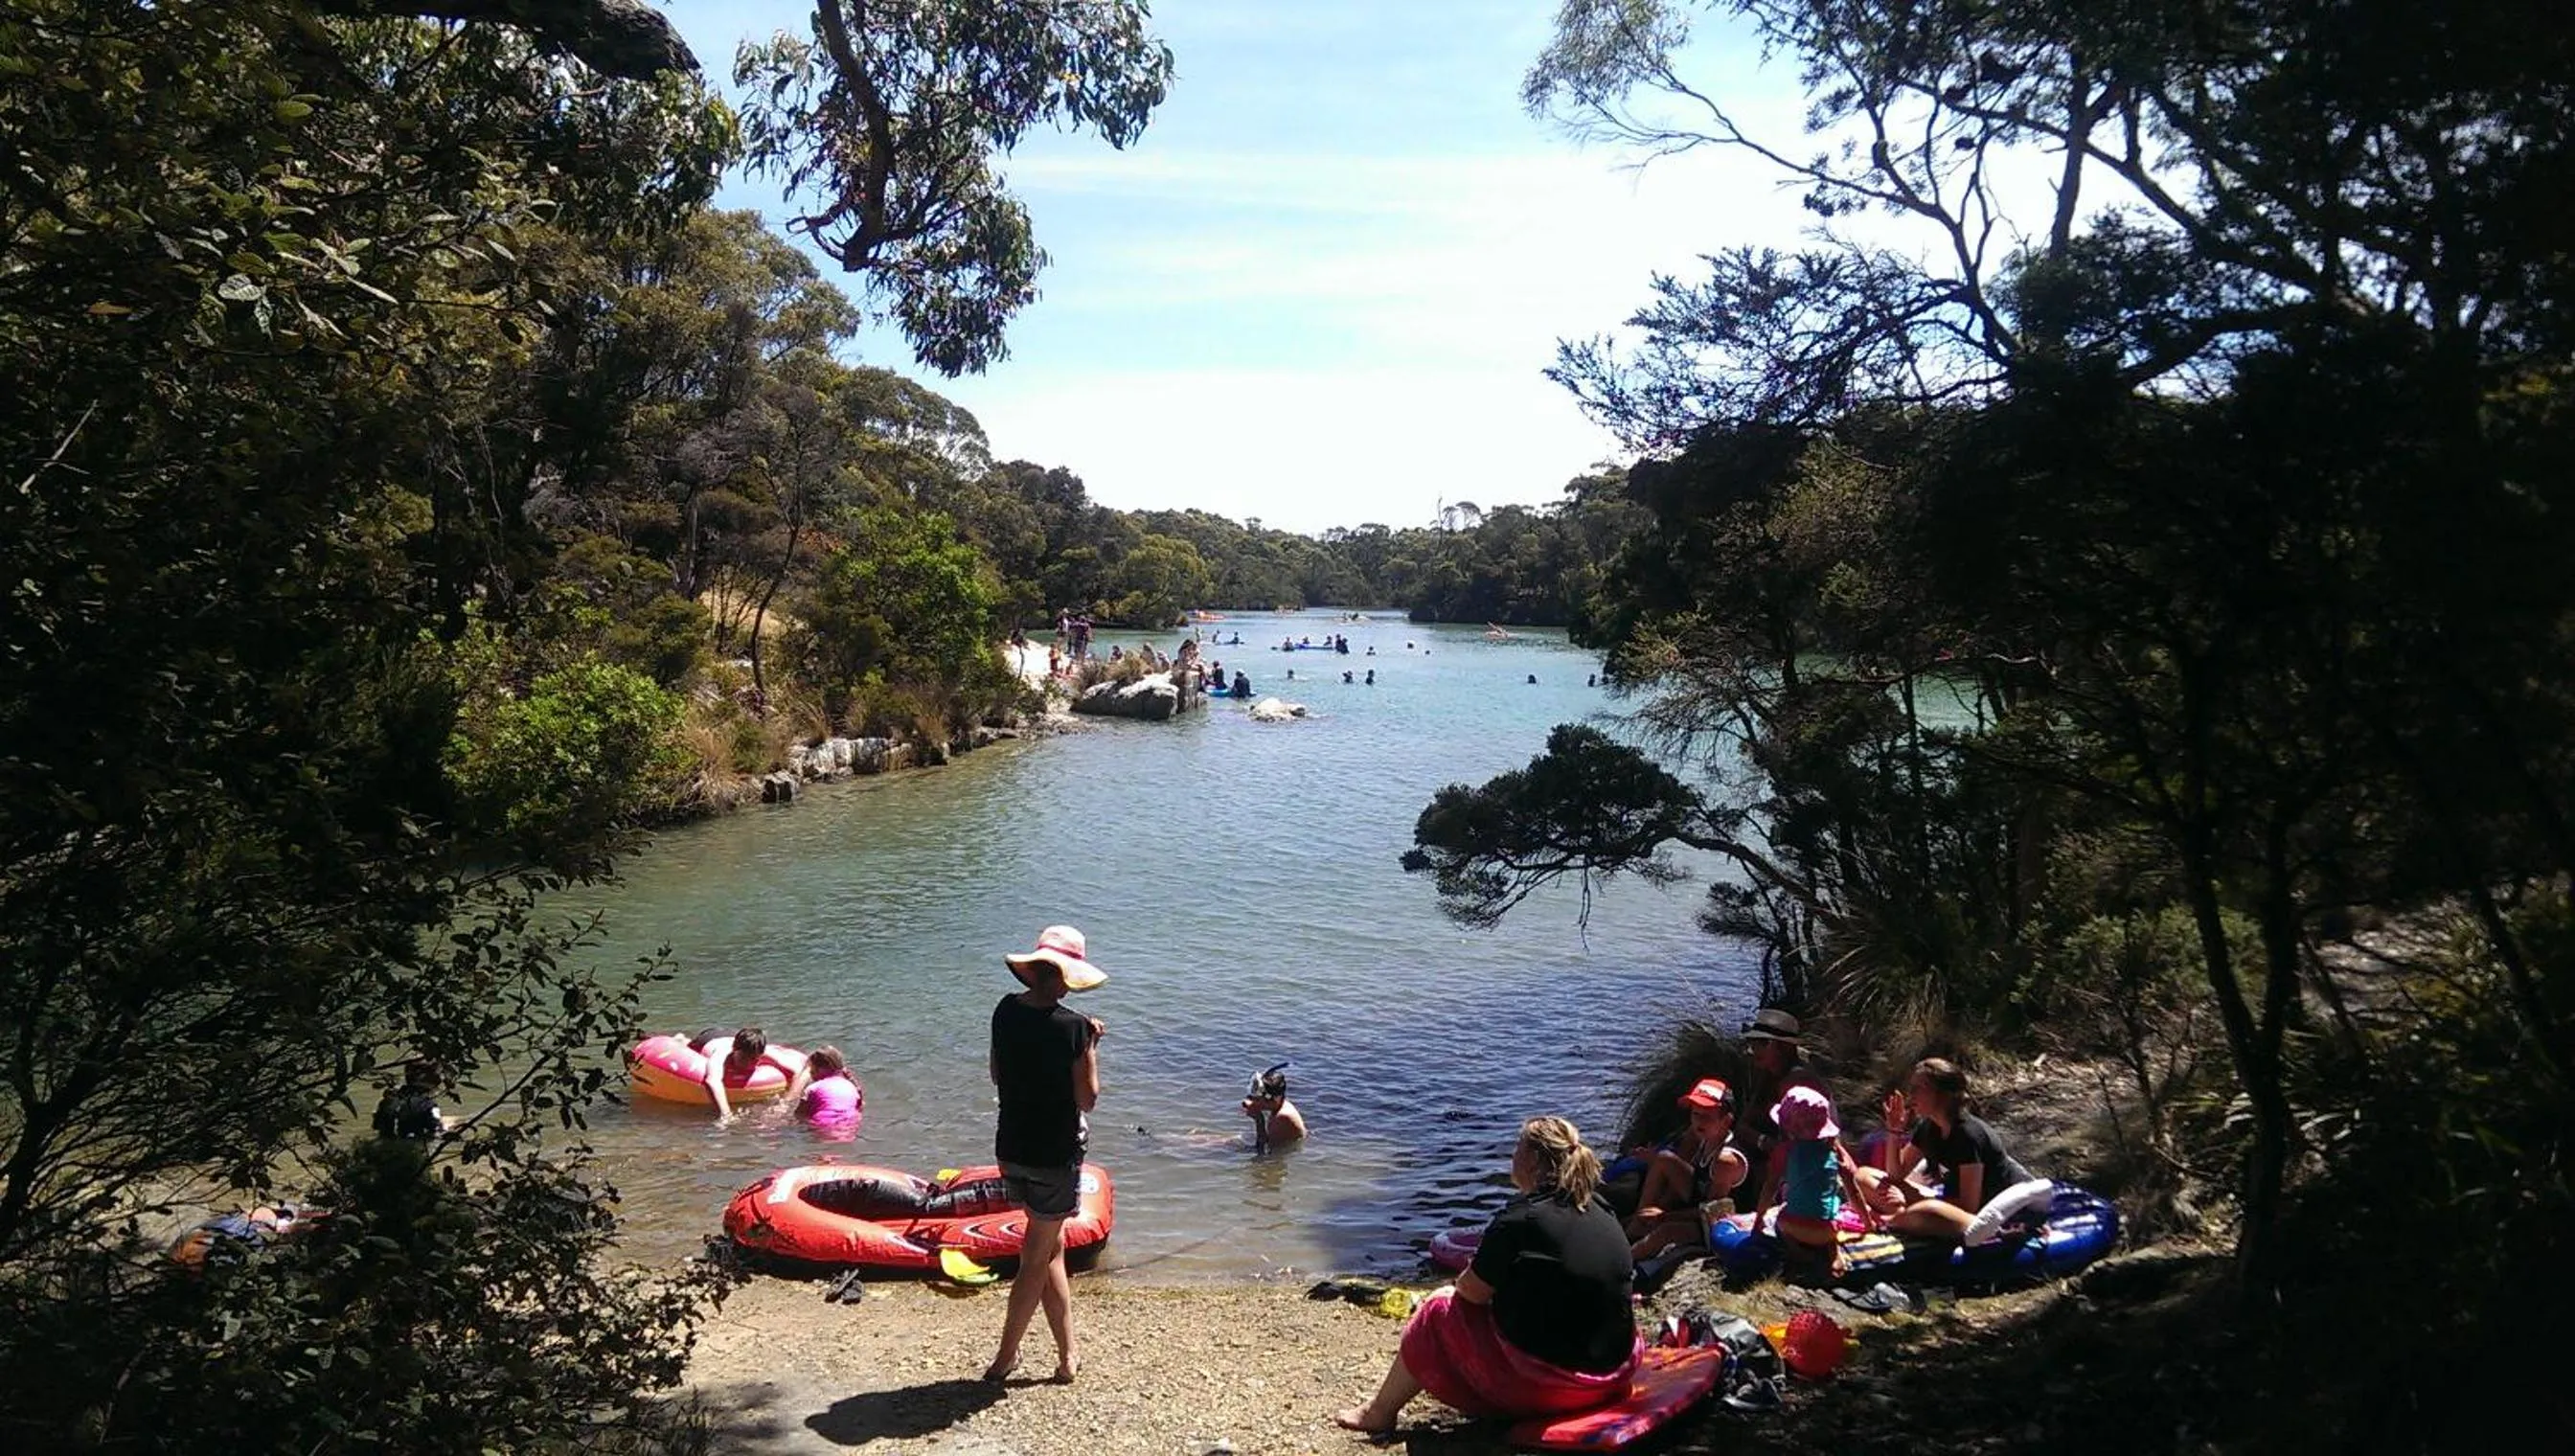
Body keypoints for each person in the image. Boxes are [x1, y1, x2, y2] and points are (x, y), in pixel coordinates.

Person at [1333, 1116, 1639, 1435]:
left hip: (1562, 1389)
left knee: (1438, 1307)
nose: (1512, 1157)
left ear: (1533, 1159)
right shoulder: (1601, 1208)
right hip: (1616, 1373)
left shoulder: (1520, 1219)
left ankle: (1379, 1411)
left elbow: (1471, 1292)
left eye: (1517, 1148)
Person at [985, 925, 1107, 1386]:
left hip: (1011, 1148)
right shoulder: (1075, 1028)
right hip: (1054, 1156)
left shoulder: (1003, 1011)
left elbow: (997, 1073)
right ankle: (1006, 1358)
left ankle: (1068, 1356)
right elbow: (1088, 1098)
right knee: (1034, 1260)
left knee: (1050, 1248)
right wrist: (1089, 1048)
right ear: (1065, 976)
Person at [1857, 1058, 2042, 1241]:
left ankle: (1894, 1220)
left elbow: (1969, 1205)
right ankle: (1906, 1217)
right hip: (1948, 1205)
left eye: (1918, 1088)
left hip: (1989, 1212)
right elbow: (1896, 1175)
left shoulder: (1968, 1135)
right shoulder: (1929, 1128)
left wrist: (1921, 1204)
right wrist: (1894, 1131)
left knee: (1929, 1211)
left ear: (1942, 1095)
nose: (1910, 1095)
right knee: (1863, 1176)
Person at [1760, 1085, 1876, 1281]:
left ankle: (1797, 1252)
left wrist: (1758, 1220)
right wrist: (1868, 1223)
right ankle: (1834, 1252)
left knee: (1779, 1217)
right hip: (1828, 1230)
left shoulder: (1784, 1151)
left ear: (1788, 1125)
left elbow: (1770, 1187)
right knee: (1832, 1209)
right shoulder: (1835, 1151)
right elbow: (1853, 1190)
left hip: (1796, 1228)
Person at [1625, 1078, 1747, 1260]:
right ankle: (1638, 1223)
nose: (1698, 1121)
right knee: (1664, 1158)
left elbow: (1713, 1213)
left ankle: (1624, 1261)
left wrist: (1665, 1217)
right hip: (1698, 1196)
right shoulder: (1701, 1135)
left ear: (1726, 1120)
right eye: (1695, 1114)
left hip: (1720, 1224)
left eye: (1706, 1116)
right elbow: (1682, 1166)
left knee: (1666, 1231)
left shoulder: (1725, 1160)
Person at [1738, 1009, 1826, 1209]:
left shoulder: (1798, 1082)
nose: (1753, 1050)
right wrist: (1764, 1142)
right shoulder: (1769, 1074)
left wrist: (1766, 1145)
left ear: (1785, 1048)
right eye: (1752, 1043)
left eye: (1763, 1043)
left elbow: (1802, 1142)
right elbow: (1742, 1124)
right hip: (1774, 1148)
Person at [690, 1027, 798, 1126]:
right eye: (743, 1059)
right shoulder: (722, 1053)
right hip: (709, 1037)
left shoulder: (760, 1050)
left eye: (754, 1060)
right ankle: (681, 1038)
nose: (749, 1064)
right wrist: (726, 1114)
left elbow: (797, 1071)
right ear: (734, 1050)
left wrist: (785, 1103)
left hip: (731, 1033)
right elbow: (713, 1081)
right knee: (688, 1045)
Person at [371, 1058, 452, 1141]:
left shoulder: (388, 1101)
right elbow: (436, 1131)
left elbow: (378, 1127)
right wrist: (445, 1127)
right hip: (410, 1149)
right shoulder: (427, 1104)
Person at [793, 1045, 863, 1128]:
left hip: (823, 1126)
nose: (811, 1073)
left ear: (819, 1069)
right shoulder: (851, 1087)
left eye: (812, 1069)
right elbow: (860, 1107)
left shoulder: (813, 1088)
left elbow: (798, 1115)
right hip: (850, 1127)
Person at [1242, 1062, 1307, 1149]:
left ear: (1270, 1098)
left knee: (1236, 1149)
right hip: (1277, 1139)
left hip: (1283, 1151)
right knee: (1228, 1142)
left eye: (1257, 1098)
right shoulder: (1280, 1104)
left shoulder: (1282, 1117)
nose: (1253, 1100)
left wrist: (1259, 1119)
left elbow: (1265, 1152)